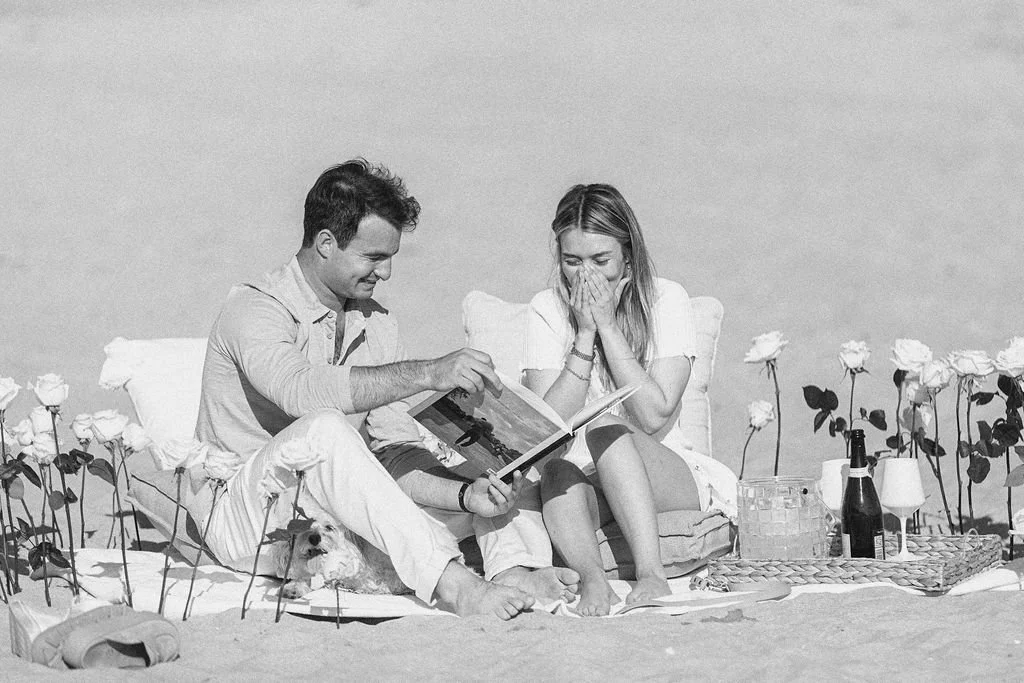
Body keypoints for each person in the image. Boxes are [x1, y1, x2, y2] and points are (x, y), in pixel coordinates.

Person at [193, 159, 576, 619]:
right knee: (325, 431)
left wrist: (465, 496)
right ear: (325, 244)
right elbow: (300, 392)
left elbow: (394, 451)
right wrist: (428, 373)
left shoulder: (375, 322)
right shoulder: (255, 309)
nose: (387, 272)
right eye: (374, 257)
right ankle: (457, 587)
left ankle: (514, 566)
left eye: (390, 256)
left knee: (496, 468)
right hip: (249, 515)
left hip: (334, 518)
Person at [525, 183, 709, 617]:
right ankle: (595, 582)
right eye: (572, 261)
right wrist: (584, 336)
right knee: (556, 470)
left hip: (663, 469)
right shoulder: (546, 309)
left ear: (627, 253)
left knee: (604, 428)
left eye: (600, 261)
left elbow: (654, 413)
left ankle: (651, 575)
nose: (586, 275)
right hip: (589, 480)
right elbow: (543, 427)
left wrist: (608, 328)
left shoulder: (666, 299)